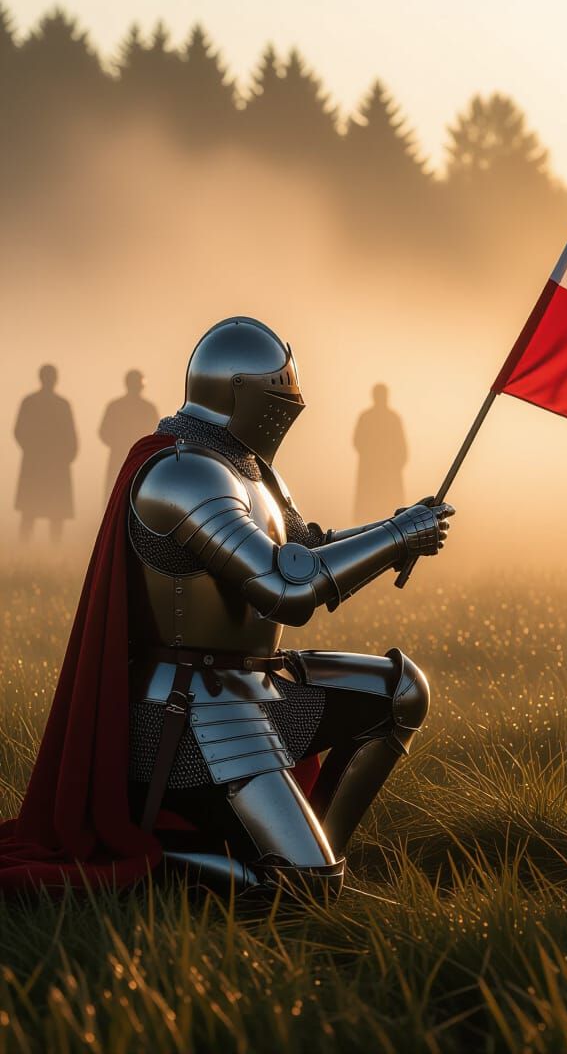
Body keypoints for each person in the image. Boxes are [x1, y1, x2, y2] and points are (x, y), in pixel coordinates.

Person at [0, 317, 453, 901]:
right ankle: (162, 871)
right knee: (303, 890)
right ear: (237, 392)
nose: (287, 411)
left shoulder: (245, 467)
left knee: (400, 691)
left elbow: (302, 552)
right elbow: (283, 592)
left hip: (250, 685)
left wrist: (399, 529)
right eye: (277, 398)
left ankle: (317, 851)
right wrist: (396, 535)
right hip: (192, 710)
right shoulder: (185, 473)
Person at [13, 363, 78, 542]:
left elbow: (19, 431)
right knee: (34, 509)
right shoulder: (58, 404)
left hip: (44, 461)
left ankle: (33, 548)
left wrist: (68, 454)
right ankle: (29, 548)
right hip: (47, 461)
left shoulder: (32, 402)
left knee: (47, 510)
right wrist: (68, 454)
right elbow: (19, 431)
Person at [99, 369, 159, 500]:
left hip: (136, 455)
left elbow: (104, 431)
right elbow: (104, 431)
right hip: (135, 455)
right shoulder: (147, 408)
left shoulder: (116, 406)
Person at [353, 383, 408, 522]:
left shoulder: (391, 418)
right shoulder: (368, 417)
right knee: (369, 510)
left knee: (389, 508)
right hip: (372, 473)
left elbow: (402, 447)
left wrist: (396, 464)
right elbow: (358, 441)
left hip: (388, 473)